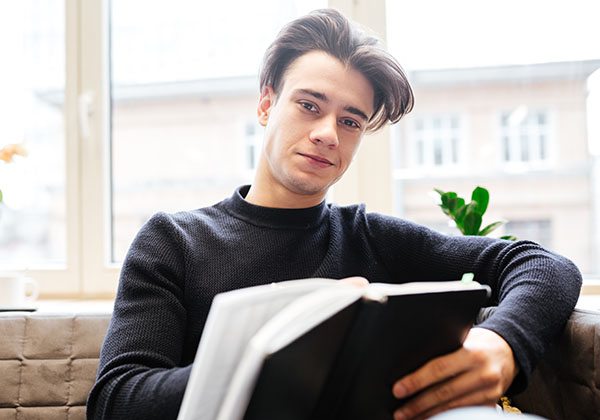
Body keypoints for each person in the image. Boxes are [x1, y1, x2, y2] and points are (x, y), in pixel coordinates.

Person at [87, 8, 582, 420]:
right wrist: (284, 354)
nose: (328, 133)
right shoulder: (173, 241)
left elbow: (544, 267)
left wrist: (503, 344)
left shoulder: (371, 237)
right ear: (266, 104)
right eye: (309, 105)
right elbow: (115, 400)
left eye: (351, 121)